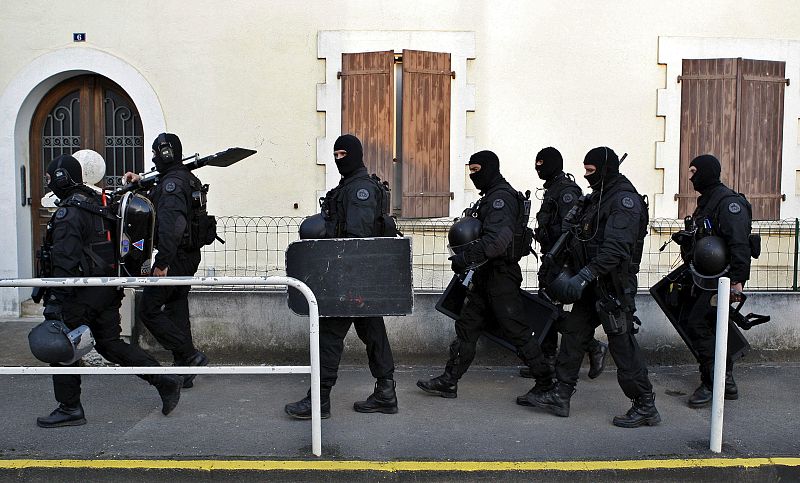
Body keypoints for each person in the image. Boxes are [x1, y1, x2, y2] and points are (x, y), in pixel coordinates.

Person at [36, 154, 182, 428]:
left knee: (62, 345)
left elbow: (65, 263)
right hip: (105, 289)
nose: (49, 184)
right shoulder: (97, 202)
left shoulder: (69, 213)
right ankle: (164, 379)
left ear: (61, 178)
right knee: (110, 344)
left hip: (80, 293)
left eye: (50, 179)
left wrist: (55, 301)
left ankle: (69, 408)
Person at [525, 147, 661, 428]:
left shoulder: (623, 200)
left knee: (622, 344)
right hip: (591, 283)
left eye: (591, 170)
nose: (586, 176)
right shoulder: (599, 196)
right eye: (585, 170)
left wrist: (584, 275)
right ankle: (561, 395)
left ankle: (645, 404)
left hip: (613, 285)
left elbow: (616, 248)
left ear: (605, 169)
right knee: (574, 334)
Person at [417, 150, 552, 398]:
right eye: (470, 171)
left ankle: (546, 383)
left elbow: (495, 242)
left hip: (501, 276)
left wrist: (465, 259)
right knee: (467, 327)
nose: (472, 176)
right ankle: (449, 380)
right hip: (484, 275)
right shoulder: (490, 196)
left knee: (517, 331)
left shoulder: (501, 198)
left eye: (476, 171)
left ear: (490, 168)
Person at [285, 134, 398, 419]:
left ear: (356, 155)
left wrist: (349, 285)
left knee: (329, 336)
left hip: (351, 278)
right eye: (335, 155)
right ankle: (386, 393)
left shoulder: (360, 190)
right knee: (373, 333)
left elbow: (356, 241)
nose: (338, 160)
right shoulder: (349, 186)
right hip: (358, 278)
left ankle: (319, 401)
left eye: (343, 155)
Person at [123, 133, 208, 389]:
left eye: (155, 153)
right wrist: (139, 181)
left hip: (175, 258)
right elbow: (157, 195)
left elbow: (172, 227)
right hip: (186, 255)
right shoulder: (182, 178)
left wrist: (161, 264)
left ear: (166, 153)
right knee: (176, 309)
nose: (153, 158)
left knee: (148, 310)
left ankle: (190, 355)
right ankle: (185, 370)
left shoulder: (172, 184)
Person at [518, 147, 607, 384]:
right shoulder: (552, 189)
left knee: (549, 309)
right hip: (550, 258)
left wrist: (564, 261)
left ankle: (592, 346)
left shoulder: (567, 191)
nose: (538, 168)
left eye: (542, 164)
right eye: (536, 164)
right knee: (545, 307)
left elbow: (571, 232)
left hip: (561, 262)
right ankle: (548, 359)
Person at [679, 154, 752, 407]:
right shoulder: (708, 201)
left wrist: (737, 282)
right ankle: (726, 380)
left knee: (699, 324)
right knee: (712, 326)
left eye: (693, 171)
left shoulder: (728, 202)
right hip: (706, 278)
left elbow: (740, 244)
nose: (690, 177)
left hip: (723, 280)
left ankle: (713, 383)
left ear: (706, 172)